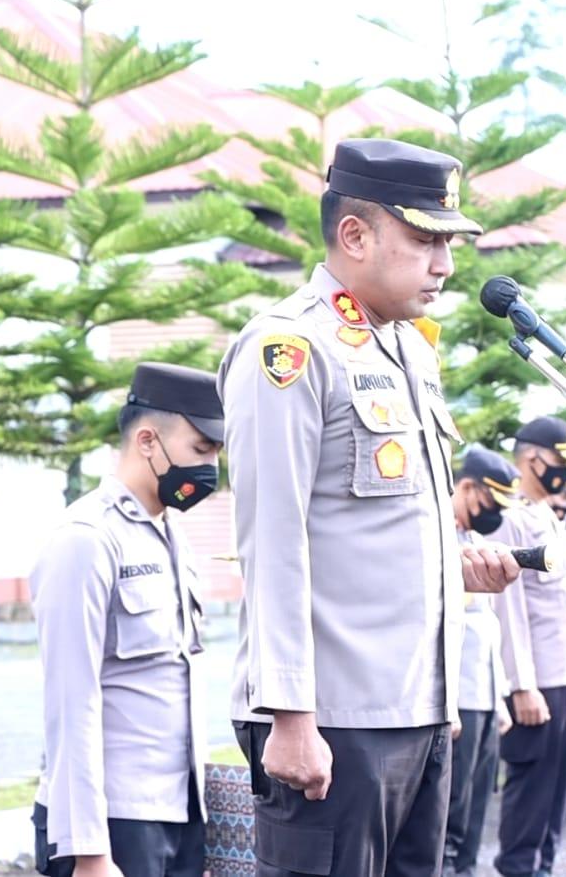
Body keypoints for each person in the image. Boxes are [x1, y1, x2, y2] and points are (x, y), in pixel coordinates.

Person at [219, 138, 518, 877]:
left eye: (448, 244)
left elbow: (379, 526)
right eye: (425, 241)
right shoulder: (290, 350)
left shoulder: (407, 349)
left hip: (417, 710)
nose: (445, 265)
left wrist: (454, 571)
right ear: (354, 235)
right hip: (333, 717)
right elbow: (273, 542)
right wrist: (291, 716)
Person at [29, 363, 222, 877]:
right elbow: (70, 700)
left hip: (177, 812)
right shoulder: (86, 538)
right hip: (112, 821)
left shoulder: (171, 534)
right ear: (147, 441)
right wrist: (89, 851)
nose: (210, 468)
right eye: (201, 449)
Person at [489, 415, 566, 877]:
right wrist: (521, 685)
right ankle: (520, 869)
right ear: (532, 459)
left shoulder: (547, 514)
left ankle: (543, 868)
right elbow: (508, 610)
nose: (565, 472)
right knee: (532, 788)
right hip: (540, 679)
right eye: (559, 461)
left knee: (558, 792)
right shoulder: (509, 519)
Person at [445, 448, 521, 877]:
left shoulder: (474, 543)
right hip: (457, 697)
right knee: (450, 813)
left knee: (476, 810)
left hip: (485, 697)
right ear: (468, 487)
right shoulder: (438, 537)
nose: (495, 513)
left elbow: (486, 628)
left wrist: (501, 697)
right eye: (491, 501)